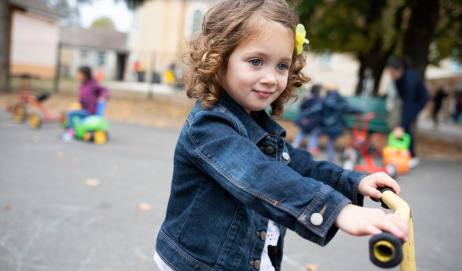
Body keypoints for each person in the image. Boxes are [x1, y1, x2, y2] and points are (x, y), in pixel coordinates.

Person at [154, 1, 409, 270]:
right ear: (219, 60)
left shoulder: (257, 124)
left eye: (282, 66)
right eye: (256, 62)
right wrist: (337, 211)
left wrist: (351, 181)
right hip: (198, 264)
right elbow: (259, 175)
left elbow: (298, 165)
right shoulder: (208, 127)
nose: (271, 78)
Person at [386, 57, 430, 168]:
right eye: (389, 72)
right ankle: (403, 153)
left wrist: (401, 125)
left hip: (418, 100)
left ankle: (413, 156)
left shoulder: (410, 78)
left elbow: (409, 103)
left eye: (392, 72)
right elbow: (402, 98)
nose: (391, 75)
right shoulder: (397, 79)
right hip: (408, 100)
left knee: (406, 124)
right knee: (404, 124)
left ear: (400, 69)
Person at [62, 66, 109, 141]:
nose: (78, 76)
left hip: (90, 111)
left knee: (70, 113)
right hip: (84, 108)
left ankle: (71, 132)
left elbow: (104, 89)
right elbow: (83, 98)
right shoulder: (83, 85)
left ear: (85, 75)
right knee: (71, 111)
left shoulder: (92, 84)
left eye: (79, 74)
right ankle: (74, 129)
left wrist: (104, 96)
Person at [319, 84, 363, 163]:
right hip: (338, 125)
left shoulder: (324, 100)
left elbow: (317, 110)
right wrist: (359, 111)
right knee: (335, 141)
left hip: (326, 125)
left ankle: (330, 158)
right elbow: (348, 108)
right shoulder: (340, 100)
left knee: (329, 142)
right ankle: (333, 158)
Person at [292, 84, 322, 155]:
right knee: (308, 133)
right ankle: (309, 148)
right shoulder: (312, 98)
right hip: (309, 119)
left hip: (310, 120)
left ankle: (296, 145)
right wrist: (305, 117)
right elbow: (304, 108)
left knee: (305, 133)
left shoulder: (310, 97)